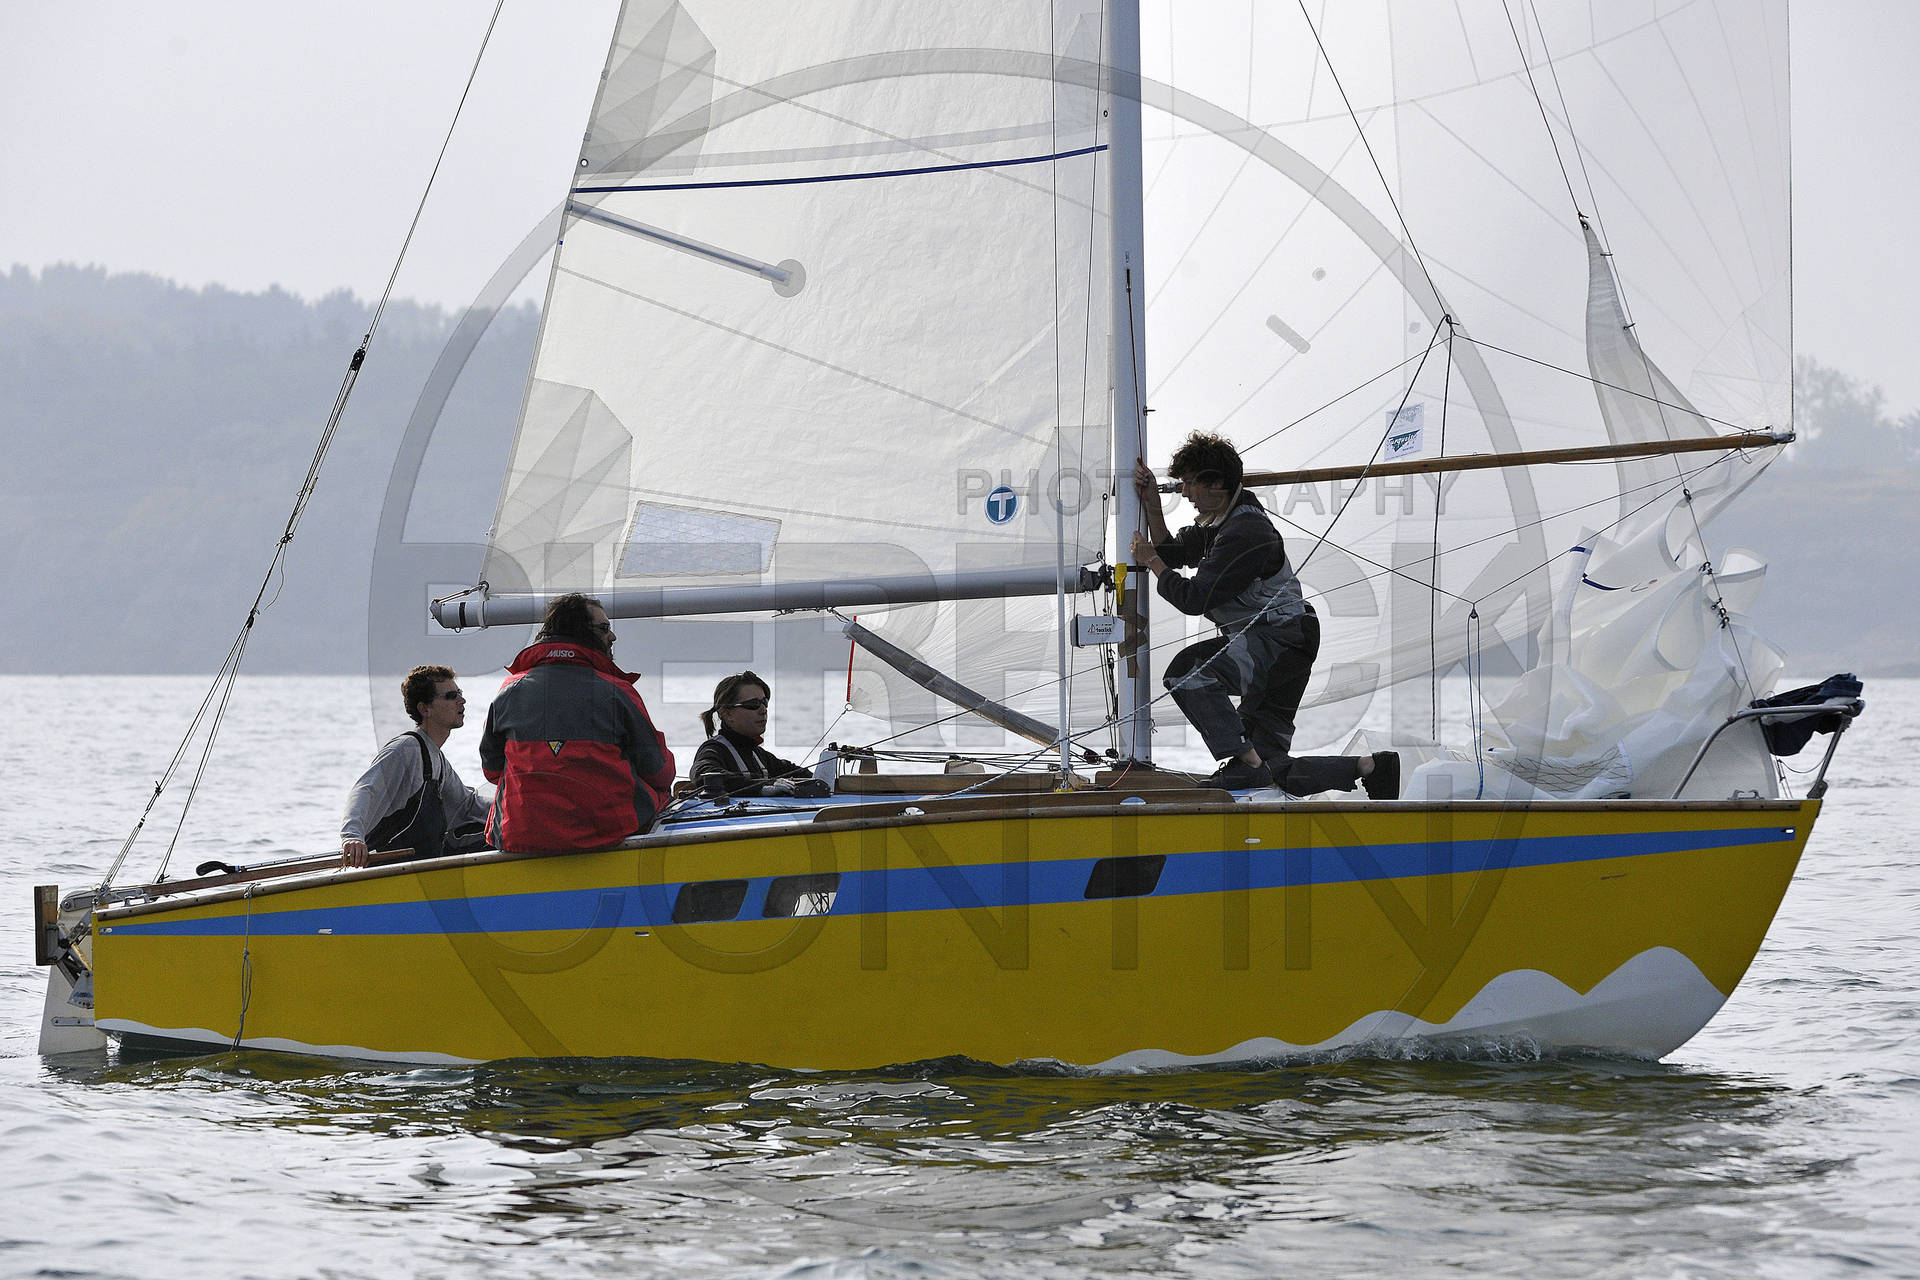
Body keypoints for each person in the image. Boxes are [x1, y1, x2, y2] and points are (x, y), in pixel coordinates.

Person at [1131, 431, 1399, 797]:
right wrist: (1151, 505)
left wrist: (1151, 561)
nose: (1185, 493)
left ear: (1217, 484)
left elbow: (1193, 598)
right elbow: (1173, 553)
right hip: (1290, 644)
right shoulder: (1220, 522)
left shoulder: (1245, 532)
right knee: (1267, 764)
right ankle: (1371, 767)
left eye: (1190, 483)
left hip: (1280, 641)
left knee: (1187, 672)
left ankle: (1246, 761)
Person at [478, 593, 676, 854]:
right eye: (604, 628)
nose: (613, 636)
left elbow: (492, 770)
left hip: (520, 835)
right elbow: (659, 771)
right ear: (580, 632)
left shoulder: (510, 690)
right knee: (663, 796)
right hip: (606, 833)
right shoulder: (617, 691)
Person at [341, 665, 492, 868]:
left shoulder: (437, 759)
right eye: (451, 696)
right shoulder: (406, 749)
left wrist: (512, 810)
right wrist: (352, 836)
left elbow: (468, 805)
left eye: (460, 693)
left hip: (418, 867)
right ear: (425, 709)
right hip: (387, 870)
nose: (462, 700)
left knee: (492, 833)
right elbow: (365, 790)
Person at [691, 672, 829, 798]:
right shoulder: (713, 750)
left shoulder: (759, 755)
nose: (763, 710)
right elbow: (703, 774)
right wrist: (762, 788)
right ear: (727, 714)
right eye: (753, 704)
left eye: (764, 702)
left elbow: (804, 776)